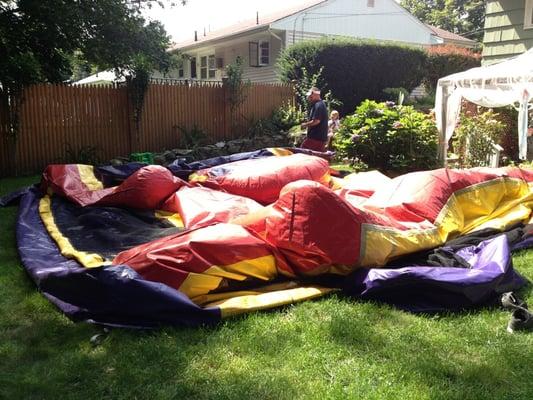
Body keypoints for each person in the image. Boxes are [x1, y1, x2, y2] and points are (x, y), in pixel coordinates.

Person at [300, 87, 329, 152]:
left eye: (311, 95)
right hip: (320, 138)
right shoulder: (319, 104)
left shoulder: (318, 105)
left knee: (302, 152)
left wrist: (304, 125)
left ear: (316, 94)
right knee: (317, 156)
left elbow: (316, 121)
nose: (309, 97)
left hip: (315, 137)